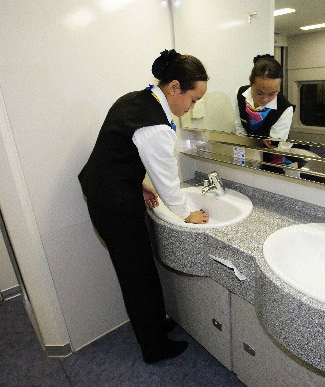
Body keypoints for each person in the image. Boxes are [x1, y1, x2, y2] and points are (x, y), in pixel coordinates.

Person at [78, 49, 209, 363]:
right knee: (138, 275)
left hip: (105, 190)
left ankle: (153, 325)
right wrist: (187, 213)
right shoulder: (155, 125)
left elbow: (116, 148)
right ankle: (154, 347)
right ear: (174, 87)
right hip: (113, 203)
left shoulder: (137, 99)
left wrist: (138, 183)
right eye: (193, 100)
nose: (192, 108)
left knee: (139, 271)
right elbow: (168, 183)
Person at [235, 54, 307, 172]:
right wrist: (245, 151)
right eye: (260, 93)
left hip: (274, 158)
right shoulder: (240, 93)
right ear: (251, 82)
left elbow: (275, 147)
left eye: (272, 93)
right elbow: (239, 126)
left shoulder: (284, 109)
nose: (265, 99)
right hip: (249, 151)